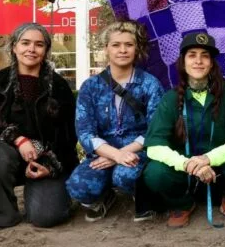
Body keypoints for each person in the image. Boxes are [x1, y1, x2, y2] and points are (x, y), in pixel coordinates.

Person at [142, 32, 225, 228]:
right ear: (183, 62)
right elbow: (154, 146)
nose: (198, 61)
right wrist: (187, 164)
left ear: (212, 63)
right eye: (192, 55)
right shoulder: (171, 98)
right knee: (153, 172)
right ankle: (182, 205)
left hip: (222, 169)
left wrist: (208, 159)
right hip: (184, 171)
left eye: (205, 55)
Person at [0, 23, 78, 229]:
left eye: (39, 45)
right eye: (25, 43)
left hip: (46, 160)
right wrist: (18, 139)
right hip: (9, 155)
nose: (31, 49)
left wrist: (48, 165)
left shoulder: (59, 87)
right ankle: (3, 212)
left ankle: (55, 196)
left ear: (45, 50)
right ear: (14, 47)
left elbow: (69, 135)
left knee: (46, 217)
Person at [65, 21, 165, 222]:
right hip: (102, 153)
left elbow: (156, 129)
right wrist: (115, 155)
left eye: (128, 45)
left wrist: (122, 155)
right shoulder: (91, 86)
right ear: (106, 49)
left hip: (139, 152)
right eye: (116, 45)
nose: (122, 50)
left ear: (136, 49)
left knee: (125, 175)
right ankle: (104, 197)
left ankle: (143, 197)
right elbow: (85, 132)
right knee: (78, 186)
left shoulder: (149, 84)